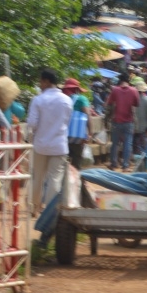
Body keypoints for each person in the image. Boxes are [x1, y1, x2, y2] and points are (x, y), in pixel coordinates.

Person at [27, 69, 72, 214]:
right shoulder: (67, 100)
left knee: (37, 177)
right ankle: (51, 210)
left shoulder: (38, 100)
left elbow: (32, 124)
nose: (40, 84)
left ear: (46, 81)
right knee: (55, 178)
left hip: (40, 144)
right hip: (59, 145)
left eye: (41, 81)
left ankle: (34, 207)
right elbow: (67, 122)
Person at [106, 77, 141, 171]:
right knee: (127, 144)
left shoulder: (115, 90)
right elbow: (137, 104)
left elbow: (109, 103)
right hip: (129, 121)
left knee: (115, 144)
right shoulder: (134, 90)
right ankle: (125, 166)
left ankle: (113, 164)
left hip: (116, 120)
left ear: (120, 82)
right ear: (128, 82)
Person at [63, 78, 92, 169]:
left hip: (64, 135)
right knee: (76, 161)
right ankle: (77, 181)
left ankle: (65, 181)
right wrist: (90, 132)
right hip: (78, 136)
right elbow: (87, 114)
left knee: (64, 162)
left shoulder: (63, 99)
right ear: (77, 89)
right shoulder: (81, 99)